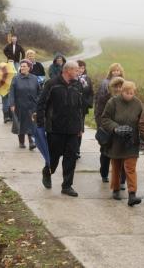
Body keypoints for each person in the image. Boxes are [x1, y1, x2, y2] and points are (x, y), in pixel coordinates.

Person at [37, 60, 83, 197]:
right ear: (68, 70)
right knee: (54, 158)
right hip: (55, 128)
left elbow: (80, 107)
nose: (78, 72)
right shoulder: (52, 84)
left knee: (71, 158)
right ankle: (47, 172)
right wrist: (41, 124)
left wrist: (80, 127)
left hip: (73, 129)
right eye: (76, 70)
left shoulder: (77, 85)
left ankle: (67, 186)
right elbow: (42, 104)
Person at [101, 81, 143, 207]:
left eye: (132, 93)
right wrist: (115, 127)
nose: (129, 95)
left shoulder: (138, 103)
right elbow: (105, 119)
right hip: (116, 141)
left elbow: (143, 120)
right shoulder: (112, 102)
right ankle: (116, 189)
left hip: (131, 141)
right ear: (121, 91)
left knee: (130, 168)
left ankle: (132, 194)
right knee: (117, 166)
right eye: (127, 92)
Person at [94, 63, 125, 183]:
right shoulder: (105, 86)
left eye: (118, 70)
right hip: (106, 126)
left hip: (121, 127)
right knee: (106, 151)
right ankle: (104, 173)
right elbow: (99, 109)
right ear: (110, 72)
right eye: (114, 70)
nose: (116, 72)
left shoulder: (125, 85)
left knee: (121, 153)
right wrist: (100, 125)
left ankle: (121, 179)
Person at [9, 60, 40, 150]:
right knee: (21, 124)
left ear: (29, 68)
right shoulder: (16, 78)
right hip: (19, 105)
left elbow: (39, 91)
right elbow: (11, 92)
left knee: (31, 124)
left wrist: (38, 100)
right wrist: (12, 104)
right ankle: (21, 142)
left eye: (24, 66)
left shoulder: (34, 78)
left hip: (32, 105)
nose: (22, 68)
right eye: (21, 66)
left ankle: (31, 142)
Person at [76, 60, 94, 158]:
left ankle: (77, 149)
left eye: (82, 68)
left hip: (82, 108)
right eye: (79, 67)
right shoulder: (71, 78)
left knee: (80, 129)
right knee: (72, 129)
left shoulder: (87, 79)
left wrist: (88, 103)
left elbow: (91, 92)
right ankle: (71, 148)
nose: (81, 70)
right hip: (72, 108)